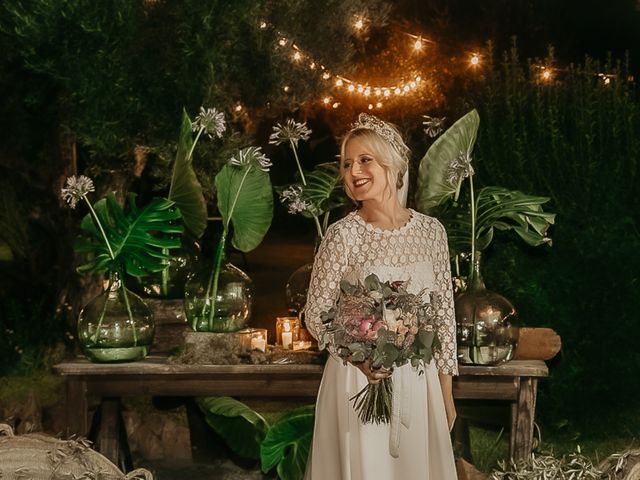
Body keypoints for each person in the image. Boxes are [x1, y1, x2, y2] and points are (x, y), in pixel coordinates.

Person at [304, 113, 458, 479]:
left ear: (392, 163)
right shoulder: (342, 235)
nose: (353, 170)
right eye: (346, 163)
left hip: (419, 381)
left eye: (364, 159)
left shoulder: (432, 232)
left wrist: (447, 392)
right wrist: (359, 361)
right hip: (358, 381)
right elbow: (315, 314)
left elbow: (443, 318)